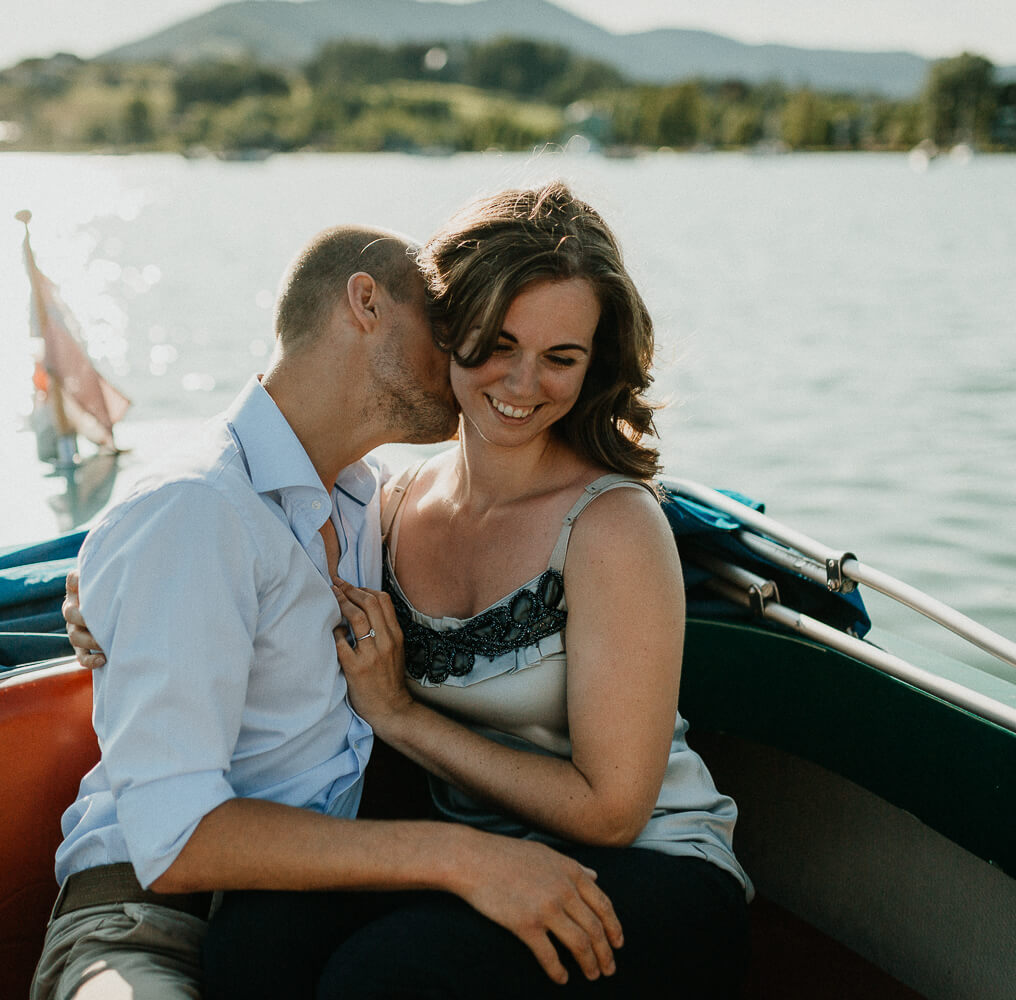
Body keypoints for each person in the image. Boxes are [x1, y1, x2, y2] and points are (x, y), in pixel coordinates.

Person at [65, 185, 752, 997]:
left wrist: (399, 715)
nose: (523, 381)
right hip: (478, 852)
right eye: (496, 342)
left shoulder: (611, 525)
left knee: (387, 978)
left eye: (561, 358)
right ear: (451, 330)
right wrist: (100, 591)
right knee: (257, 943)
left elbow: (613, 811)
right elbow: (197, 538)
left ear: (592, 364)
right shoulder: (382, 507)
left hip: (648, 864)